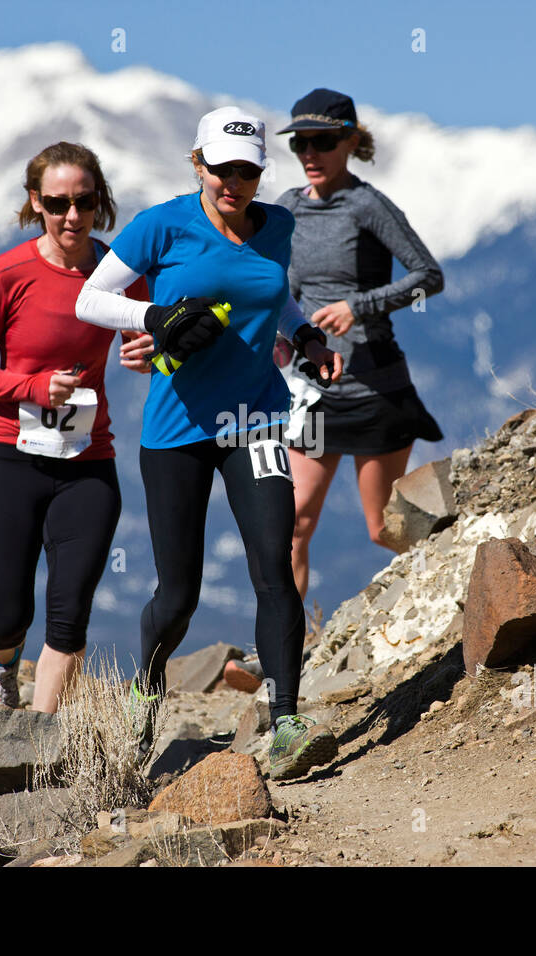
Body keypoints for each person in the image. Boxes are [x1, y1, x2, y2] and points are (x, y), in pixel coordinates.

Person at [75, 106, 345, 780]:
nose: (234, 182)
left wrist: (305, 335)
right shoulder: (162, 225)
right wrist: (156, 315)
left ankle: (285, 722)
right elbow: (90, 299)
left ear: (260, 174)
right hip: (177, 433)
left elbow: (272, 296)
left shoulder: (276, 226)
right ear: (197, 164)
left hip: (254, 419)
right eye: (221, 168)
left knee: (274, 567)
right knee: (178, 596)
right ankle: (148, 683)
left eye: (247, 171)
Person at [0, 142, 152, 713]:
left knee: (68, 617)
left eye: (84, 201)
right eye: (58, 202)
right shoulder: (7, 273)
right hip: (7, 461)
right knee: (11, 615)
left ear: (99, 202)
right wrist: (33, 388)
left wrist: (150, 352)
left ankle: (41, 752)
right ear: (35, 201)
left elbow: (151, 342)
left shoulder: (116, 274)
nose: (72, 216)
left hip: (87, 464)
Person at [274, 89, 445, 599]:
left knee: (384, 529)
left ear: (349, 140)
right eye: (299, 143)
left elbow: (428, 277)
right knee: (293, 525)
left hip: (374, 388)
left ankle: (451, 604)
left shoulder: (367, 205)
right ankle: (285, 656)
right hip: (312, 393)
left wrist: (359, 306)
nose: (309, 154)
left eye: (322, 141)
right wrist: (284, 338)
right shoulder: (285, 209)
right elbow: (278, 287)